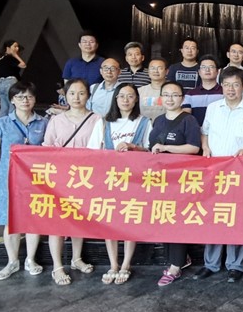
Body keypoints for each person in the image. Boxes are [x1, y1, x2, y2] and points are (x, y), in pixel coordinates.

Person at [196, 67, 243, 283]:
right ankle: (211, 263)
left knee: (236, 216)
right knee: (214, 216)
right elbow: (205, 132)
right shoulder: (213, 108)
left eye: (235, 85)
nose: (231, 89)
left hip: (240, 172)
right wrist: (205, 147)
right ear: (221, 86)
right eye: (226, 85)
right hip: (215, 171)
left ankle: (235, 265)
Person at [87, 83, 151, 285]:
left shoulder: (144, 122)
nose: (125, 100)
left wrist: (133, 147)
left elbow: (151, 151)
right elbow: (92, 151)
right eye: (121, 96)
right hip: (109, 180)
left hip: (135, 180)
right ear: (115, 98)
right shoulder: (104, 123)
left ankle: (126, 264)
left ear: (136, 99)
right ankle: (113, 264)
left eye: (130, 96)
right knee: (110, 222)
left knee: (130, 219)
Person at [0, 81, 47, 281]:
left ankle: (30, 259)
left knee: (33, 219)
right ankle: (12, 261)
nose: (25, 100)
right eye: (20, 97)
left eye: (29, 96)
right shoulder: (1, 123)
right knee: (10, 221)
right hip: (7, 179)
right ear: (12, 100)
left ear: (34, 99)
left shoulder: (44, 122)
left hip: (36, 179)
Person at [42, 78, 101, 285]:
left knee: (78, 219)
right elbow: (47, 148)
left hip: (85, 178)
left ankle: (76, 259)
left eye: (81, 93)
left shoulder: (97, 119)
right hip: (60, 178)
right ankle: (57, 266)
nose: (76, 97)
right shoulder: (56, 121)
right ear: (65, 96)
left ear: (88, 96)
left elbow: (101, 149)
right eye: (72, 93)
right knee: (57, 222)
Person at [151, 81, 203, 286]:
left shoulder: (188, 120)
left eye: (175, 95)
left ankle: (175, 266)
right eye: (166, 95)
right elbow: (152, 147)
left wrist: (167, 149)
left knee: (177, 220)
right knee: (164, 218)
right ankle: (180, 259)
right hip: (161, 179)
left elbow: (194, 148)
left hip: (182, 179)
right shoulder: (158, 120)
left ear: (182, 98)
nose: (170, 99)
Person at [0, 39, 27, 116]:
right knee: (13, 105)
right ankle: (11, 122)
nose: (17, 48)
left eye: (17, 47)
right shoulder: (11, 58)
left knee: (4, 106)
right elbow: (23, 65)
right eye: (15, 46)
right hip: (10, 82)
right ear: (8, 48)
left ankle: (2, 122)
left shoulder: (0, 58)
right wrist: (15, 55)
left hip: (0, 84)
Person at [182, 55, 223, 126]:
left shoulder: (224, 92)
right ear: (199, 72)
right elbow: (185, 117)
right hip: (196, 131)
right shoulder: (190, 94)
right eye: (203, 67)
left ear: (217, 71)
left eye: (211, 67)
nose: (207, 70)